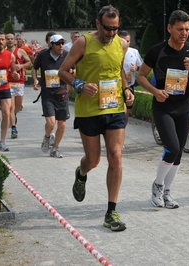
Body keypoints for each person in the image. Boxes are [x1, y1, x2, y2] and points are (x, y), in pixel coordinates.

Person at [58, 5, 134, 232]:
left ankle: (111, 211)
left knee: (116, 157)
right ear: (97, 24)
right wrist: (79, 84)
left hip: (114, 107)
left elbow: (118, 71)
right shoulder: (83, 42)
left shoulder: (121, 43)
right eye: (108, 29)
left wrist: (127, 89)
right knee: (93, 160)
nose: (112, 33)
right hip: (89, 110)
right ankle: (81, 174)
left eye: (116, 28)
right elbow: (63, 71)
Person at [136, 10, 189, 209]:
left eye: (187, 29)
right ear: (169, 28)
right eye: (180, 29)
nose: (184, 33)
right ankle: (157, 186)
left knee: (179, 153)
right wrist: (155, 91)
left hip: (184, 106)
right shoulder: (157, 51)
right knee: (173, 148)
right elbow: (141, 76)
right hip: (163, 107)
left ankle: (167, 192)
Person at [32, 34, 71, 158]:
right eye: (58, 44)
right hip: (48, 94)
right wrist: (35, 80)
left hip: (62, 94)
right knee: (51, 123)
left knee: (62, 124)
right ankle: (47, 137)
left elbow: (73, 69)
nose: (61, 46)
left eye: (62, 43)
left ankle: (55, 148)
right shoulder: (43, 55)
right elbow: (34, 68)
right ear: (51, 45)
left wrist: (72, 78)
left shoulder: (66, 55)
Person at [6, 33, 32, 138]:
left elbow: (29, 62)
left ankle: (14, 115)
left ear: (15, 41)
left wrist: (21, 65)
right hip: (7, 82)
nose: (10, 41)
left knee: (18, 107)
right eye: (8, 39)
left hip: (19, 82)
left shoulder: (20, 51)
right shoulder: (3, 52)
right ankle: (13, 128)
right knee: (11, 107)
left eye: (12, 39)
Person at [118, 30, 142, 124]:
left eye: (128, 41)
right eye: (123, 41)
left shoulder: (134, 52)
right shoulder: (113, 52)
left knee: (126, 112)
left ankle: (122, 130)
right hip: (116, 87)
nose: (125, 43)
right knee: (120, 112)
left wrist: (136, 68)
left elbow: (142, 68)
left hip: (129, 85)